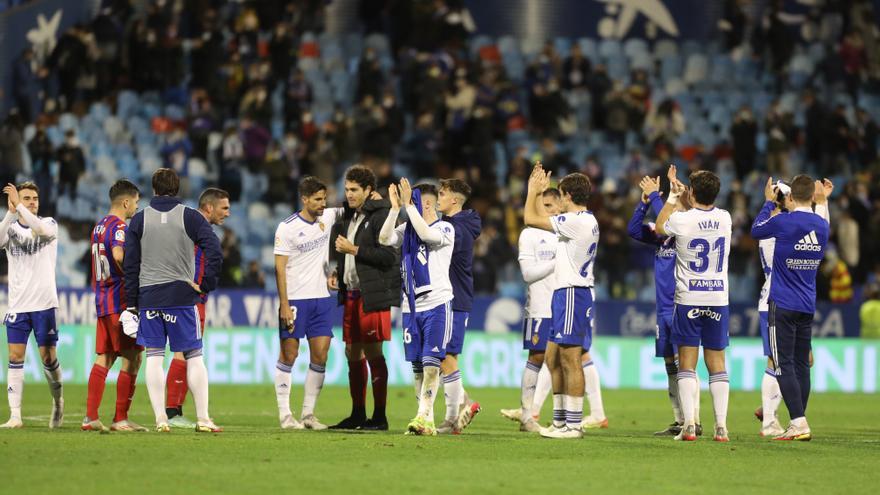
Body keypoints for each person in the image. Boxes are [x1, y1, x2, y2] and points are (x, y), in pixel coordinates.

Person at [122, 168, 223, 433]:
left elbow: (131, 265)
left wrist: (132, 303)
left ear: (153, 189)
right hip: (182, 295)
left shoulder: (140, 220)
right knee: (194, 356)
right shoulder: (190, 217)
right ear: (178, 189)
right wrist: (205, 285)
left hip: (150, 297)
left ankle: (160, 420)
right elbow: (214, 251)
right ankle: (202, 419)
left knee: (155, 357)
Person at [751, 175, 831, 441]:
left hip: (782, 303)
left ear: (791, 197)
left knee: (782, 364)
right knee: (802, 365)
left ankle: (797, 422)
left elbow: (756, 230)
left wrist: (766, 203)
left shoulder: (783, 223)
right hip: (807, 304)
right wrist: (823, 203)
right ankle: (799, 418)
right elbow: (820, 216)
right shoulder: (821, 226)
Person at [655, 166, 732, 442]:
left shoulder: (683, 221)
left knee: (687, 364)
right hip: (718, 298)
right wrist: (688, 195)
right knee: (717, 363)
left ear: (692, 191)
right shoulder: (725, 218)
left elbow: (660, 226)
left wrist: (674, 197)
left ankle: (689, 426)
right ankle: (721, 427)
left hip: (689, 299)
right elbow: (702, 214)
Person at [523, 163, 600, 439]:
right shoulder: (586, 220)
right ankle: (559, 421)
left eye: (561, 197)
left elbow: (529, 219)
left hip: (571, 293)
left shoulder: (575, 222)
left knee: (570, 359)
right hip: (566, 293)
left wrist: (532, 191)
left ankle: (574, 425)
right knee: (554, 358)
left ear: (567, 195)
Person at [627, 175, 702, 437]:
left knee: (686, 364)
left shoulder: (690, 227)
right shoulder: (661, 235)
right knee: (670, 363)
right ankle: (680, 419)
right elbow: (634, 230)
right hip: (663, 307)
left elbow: (667, 222)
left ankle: (695, 419)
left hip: (682, 303)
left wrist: (661, 197)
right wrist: (644, 202)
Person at [379, 180, 455, 436]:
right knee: (417, 367)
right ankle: (426, 420)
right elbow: (385, 238)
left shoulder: (445, 228)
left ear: (427, 203)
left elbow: (427, 235)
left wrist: (408, 205)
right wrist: (393, 209)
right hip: (411, 306)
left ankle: (423, 416)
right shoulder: (408, 228)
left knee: (432, 363)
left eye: (413, 201)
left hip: (437, 303)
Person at [330, 165, 400, 431]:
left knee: (373, 353)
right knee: (352, 353)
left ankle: (379, 417)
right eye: (347, 189)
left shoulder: (382, 215)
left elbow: (388, 257)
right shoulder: (351, 216)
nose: (348, 194)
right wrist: (338, 272)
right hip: (351, 293)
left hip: (373, 295)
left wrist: (354, 249)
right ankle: (357, 413)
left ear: (369, 190)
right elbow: (345, 254)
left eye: (354, 190)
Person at [273, 177, 343, 430]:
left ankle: (308, 415)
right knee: (289, 355)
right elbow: (279, 269)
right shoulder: (287, 228)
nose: (322, 204)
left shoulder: (328, 217)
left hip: (322, 299)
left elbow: (356, 207)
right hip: (295, 300)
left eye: (324, 199)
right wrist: (283, 303)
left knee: (321, 355)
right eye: (317, 200)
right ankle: (285, 416)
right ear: (304, 199)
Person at [82, 179, 147, 432]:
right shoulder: (120, 228)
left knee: (105, 356)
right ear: (126, 202)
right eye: (136, 203)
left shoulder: (98, 227)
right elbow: (119, 256)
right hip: (119, 301)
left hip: (101, 299)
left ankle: (90, 417)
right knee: (133, 358)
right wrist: (134, 279)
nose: (136, 209)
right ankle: (120, 418)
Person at [165, 188, 231, 428]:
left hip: (188, 297)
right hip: (190, 299)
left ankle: (175, 410)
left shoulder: (188, 225)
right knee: (185, 353)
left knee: (184, 352)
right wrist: (198, 285)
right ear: (209, 207)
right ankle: (172, 412)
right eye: (224, 208)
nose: (228, 213)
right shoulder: (195, 228)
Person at [0, 182, 63, 429]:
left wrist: (21, 208)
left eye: (34, 198)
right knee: (15, 357)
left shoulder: (49, 224)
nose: (32, 202)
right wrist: (10, 212)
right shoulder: (11, 228)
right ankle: (15, 415)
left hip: (45, 304)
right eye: (26, 198)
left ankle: (58, 402)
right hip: (17, 305)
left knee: (48, 358)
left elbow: (39, 230)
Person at [502, 188, 562, 432]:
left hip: (565, 304)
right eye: (541, 205)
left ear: (559, 207)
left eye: (548, 206)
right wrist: (559, 261)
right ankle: (527, 416)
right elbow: (528, 274)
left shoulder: (565, 229)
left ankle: (563, 418)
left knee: (564, 360)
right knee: (537, 358)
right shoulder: (529, 235)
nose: (543, 210)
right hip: (539, 306)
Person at [436, 178, 482, 434]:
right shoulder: (457, 224)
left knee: (445, 355)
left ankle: (459, 410)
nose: (438, 198)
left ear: (454, 200)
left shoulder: (456, 229)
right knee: (443, 356)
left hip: (454, 298)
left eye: (442, 194)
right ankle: (455, 415)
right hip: (450, 298)